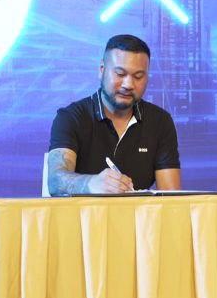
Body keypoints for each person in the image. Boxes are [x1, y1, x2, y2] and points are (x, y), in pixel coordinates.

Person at [43, 34, 182, 195]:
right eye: (120, 74)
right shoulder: (71, 117)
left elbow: (172, 197)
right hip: (84, 211)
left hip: (138, 211)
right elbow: (55, 182)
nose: (128, 84)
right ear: (102, 70)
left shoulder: (160, 121)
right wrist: (91, 183)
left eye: (138, 76)